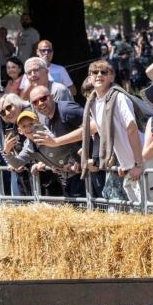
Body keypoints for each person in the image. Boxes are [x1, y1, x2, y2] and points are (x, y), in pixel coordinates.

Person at [37, 60, 144, 203]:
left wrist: (138, 164)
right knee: (137, 209)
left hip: (142, 159)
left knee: (151, 208)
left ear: (111, 77)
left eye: (104, 72)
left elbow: (132, 129)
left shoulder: (118, 97)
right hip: (127, 165)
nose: (99, 75)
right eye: (95, 72)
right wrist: (55, 142)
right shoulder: (94, 103)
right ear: (90, 78)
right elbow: (90, 129)